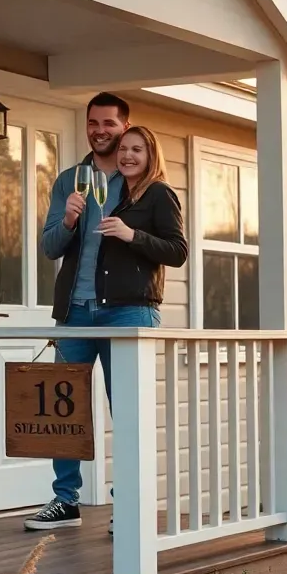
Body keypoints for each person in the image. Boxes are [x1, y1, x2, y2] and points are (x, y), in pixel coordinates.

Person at [24, 111, 188, 531]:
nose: (103, 132)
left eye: (132, 144)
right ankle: (65, 501)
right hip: (76, 312)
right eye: (93, 122)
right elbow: (50, 247)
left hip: (127, 310)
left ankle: (129, 506)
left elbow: (176, 249)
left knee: (128, 412)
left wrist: (132, 235)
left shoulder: (148, 191)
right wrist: (69, 220)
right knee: (64, 410)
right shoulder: (71, 180)